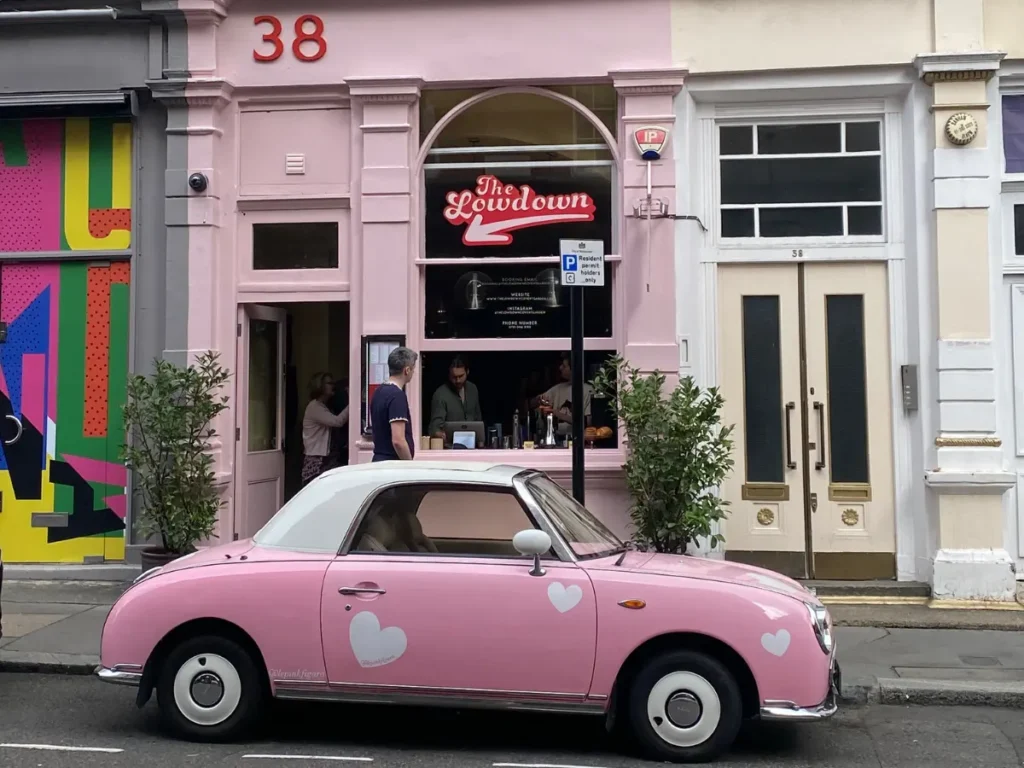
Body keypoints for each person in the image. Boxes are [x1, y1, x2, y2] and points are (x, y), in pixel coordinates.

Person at [301, 372, 349, 486]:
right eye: (329, 383)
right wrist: (353, 401)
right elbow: (337, 422)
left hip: (325, 459)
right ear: (320, 386)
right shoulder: (315, 407)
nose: (333, 386)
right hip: (317, 461)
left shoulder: (323, 406)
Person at [370, 346, 417, 462]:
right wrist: (410, 465)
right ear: (407, 370)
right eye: (413, 369)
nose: (413, 372)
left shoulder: (378, 391)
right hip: (392, 465)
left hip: (379, 461)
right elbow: (398, 440)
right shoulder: (397, 396)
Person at [530, 352, 593, 436]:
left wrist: (556, 413)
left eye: (564, 366)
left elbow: (588, 422)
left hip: (579, 440)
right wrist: (539, 400)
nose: (560, 368)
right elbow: (532, 403)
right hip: (557, 438)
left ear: (573, 368)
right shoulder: (558, 388)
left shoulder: (589, 390)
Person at [428, 355, 483, 438]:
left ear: (467, 372)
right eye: (454, 377)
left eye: (461, 376)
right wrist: (441, 435)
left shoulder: (473, 389)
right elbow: (434, 427)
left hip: (472, 445)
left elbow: (478, 419)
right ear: (449, 374)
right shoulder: (440, 394)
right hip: (450, 447)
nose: (458, 380)